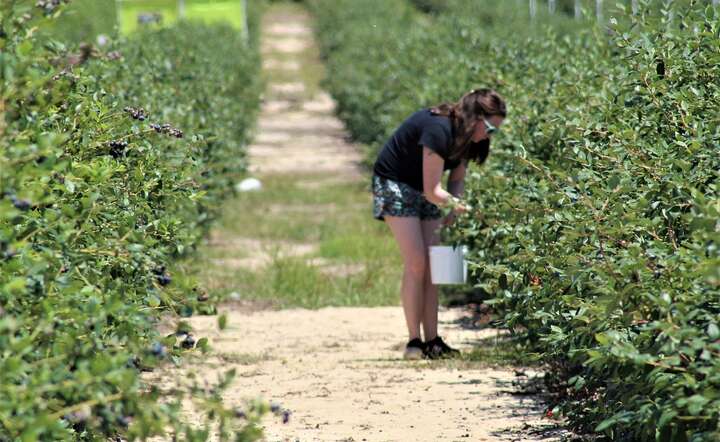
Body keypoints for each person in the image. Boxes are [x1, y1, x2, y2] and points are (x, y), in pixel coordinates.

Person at [371, 88, 507, 359]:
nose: (490, 135)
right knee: (417, 262)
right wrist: (464, 207)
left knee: (438, 263)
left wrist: (455, 209)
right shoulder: (438, 128)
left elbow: (456, 179)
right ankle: (414, 342)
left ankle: (434, 340)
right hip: (394, 183)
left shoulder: (471, 138)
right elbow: (434, 191)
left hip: (425, 187)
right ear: (476, 117)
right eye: (490, 127)